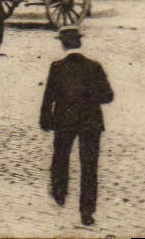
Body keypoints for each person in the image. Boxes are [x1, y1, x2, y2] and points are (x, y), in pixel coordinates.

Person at [40, 26, 114, 228]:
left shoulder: (57, 67)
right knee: (89, 167)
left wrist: (45, 119)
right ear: (80, 43)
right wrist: (89, 97)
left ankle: (59, 191)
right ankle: (87, 212)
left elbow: (49, 96)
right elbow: (108, 96)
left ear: (63, 45)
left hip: (64, 120)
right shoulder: (95, 66)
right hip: (91, 122)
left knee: (61, 156)